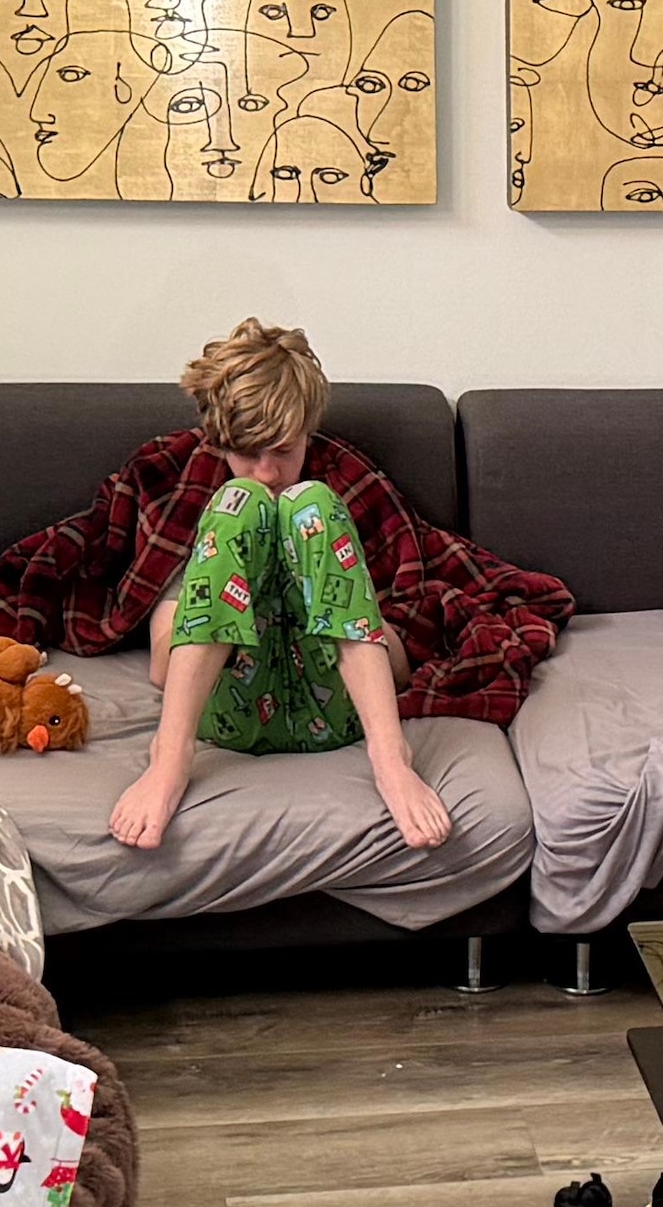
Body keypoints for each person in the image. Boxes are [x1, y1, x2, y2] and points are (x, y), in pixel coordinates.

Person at [102, 320, 458, 856]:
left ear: (309, 436)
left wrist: (326, 586)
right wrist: (230, 585)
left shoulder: (335, 491)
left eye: (283, 451)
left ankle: (392, 762)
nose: (267, 472)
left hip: (334, 714)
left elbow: (401, 660)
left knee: (308, 502)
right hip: (229, 716)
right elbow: (159, 669)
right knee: (237, 505)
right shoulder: (205, 507)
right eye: (247, 454)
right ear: (219, 445)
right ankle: (169, 762)